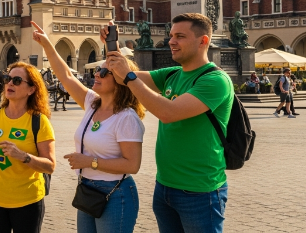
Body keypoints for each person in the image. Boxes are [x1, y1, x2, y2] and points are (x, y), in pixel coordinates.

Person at [100, 13, 233, 233]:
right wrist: (111, 44)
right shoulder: (172, 74)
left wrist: (130, 77)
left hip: (200, 192)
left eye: (180, 36)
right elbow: (119, 76)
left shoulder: (215, 80)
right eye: (171, 35)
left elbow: (168, 112)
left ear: (203, 41)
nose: (171, 41)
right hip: (165, 187)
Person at [31, 21, 144, 232]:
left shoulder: (126, 117)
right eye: (97, 71)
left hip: (115, 192)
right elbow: (65, 76)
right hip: (88, 188)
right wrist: (47, 45)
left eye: (104, 73)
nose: (97, 75)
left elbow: (132, 165)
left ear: (121, 79)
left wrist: (90, 162)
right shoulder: (93, 103)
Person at [0, 61, 56, 233]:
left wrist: (24, 156)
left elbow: (50, 165)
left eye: (17, 80)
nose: (10, 83)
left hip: (27, 201)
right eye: (7, 79)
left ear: (31, 89)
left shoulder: (39, 121)